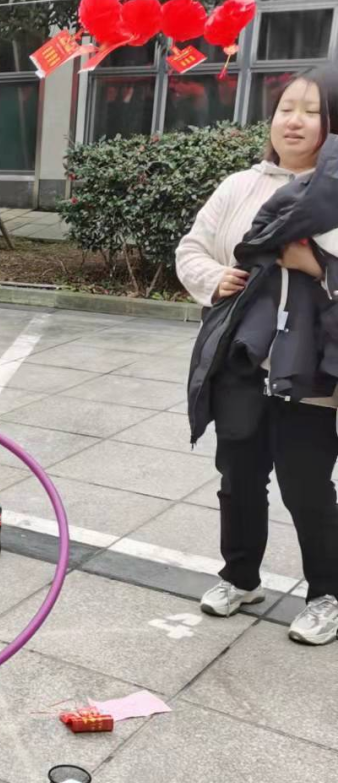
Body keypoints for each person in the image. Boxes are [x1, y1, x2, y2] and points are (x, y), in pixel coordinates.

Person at [177, 66, 338, 644]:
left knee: (306, 486)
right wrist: (214, 278)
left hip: (310, 370)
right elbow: (191, 248)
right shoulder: (240, 187)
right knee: (238, 477)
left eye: (312, 111)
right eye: (285, 109)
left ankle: (327, 594)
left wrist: (313, 267)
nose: (294, 121)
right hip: (243, 360)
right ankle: (240, 577)